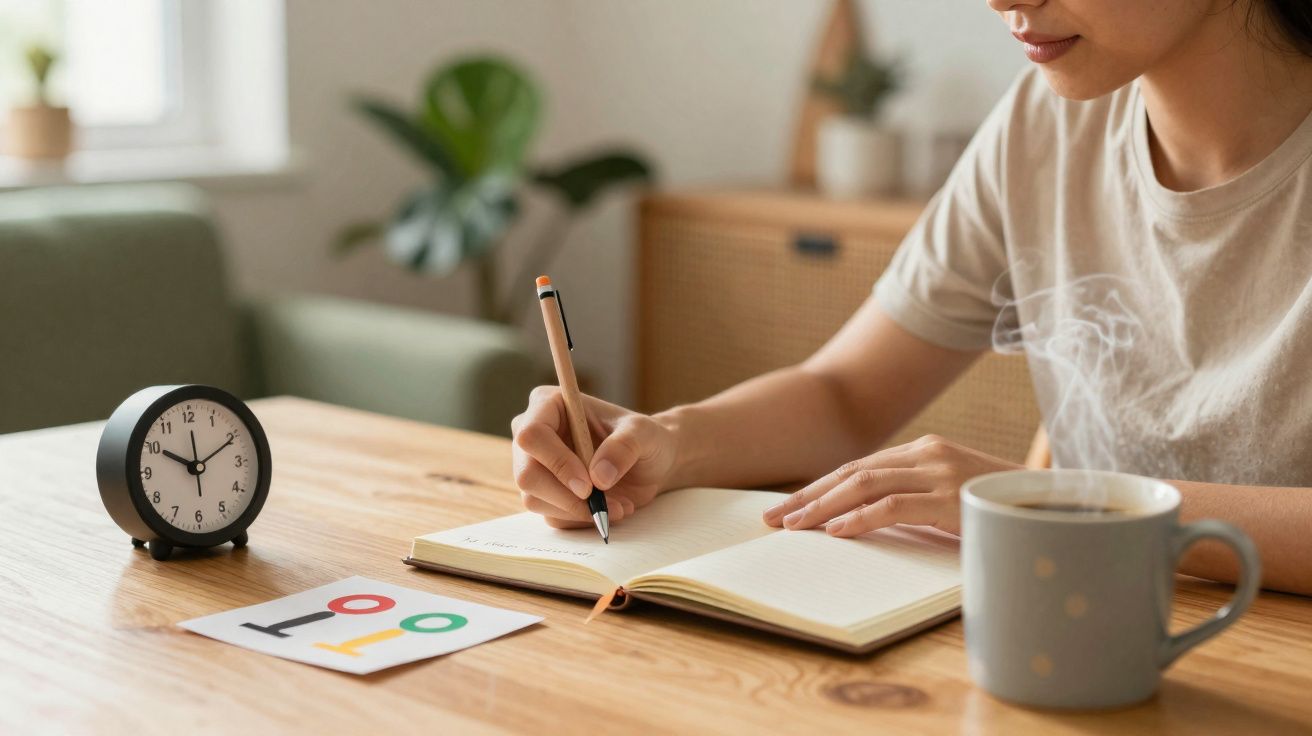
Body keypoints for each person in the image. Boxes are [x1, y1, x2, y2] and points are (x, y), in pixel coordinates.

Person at [511, 0, 1312, 596]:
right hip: (1083, 631)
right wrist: (664, 445)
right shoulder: (1047, 123)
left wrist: (1049, 503)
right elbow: (846, 395)